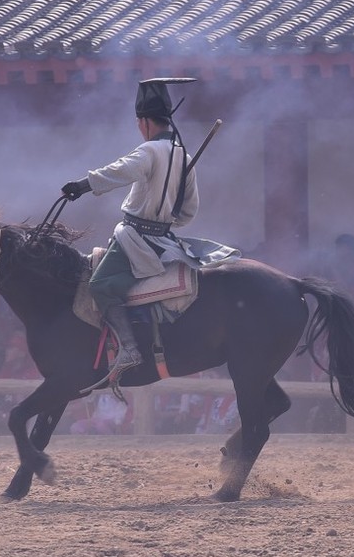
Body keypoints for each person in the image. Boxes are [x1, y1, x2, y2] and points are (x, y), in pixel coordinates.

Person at [60, 78, 237, 387]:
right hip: (163, 239)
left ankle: (128, 350)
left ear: (143, 122)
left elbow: (120, 170)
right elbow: (189, 210)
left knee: (100, 284)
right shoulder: (183, 155)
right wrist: (166, 221)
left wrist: (81, 186)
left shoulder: (150, 150)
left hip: (134, 239)